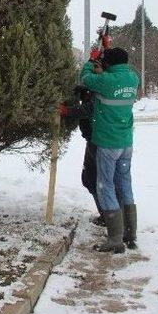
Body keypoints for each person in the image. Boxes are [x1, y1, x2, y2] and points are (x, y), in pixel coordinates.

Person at [81, 47, 139, 253]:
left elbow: (85, 78)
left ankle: (115, 239)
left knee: (105, 186)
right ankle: (130, 233)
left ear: (109, 64)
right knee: (124, 184)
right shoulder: (133, 78)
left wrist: (91, 61)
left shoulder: (105, 81)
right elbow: (113, 80)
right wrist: (104, 67)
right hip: (126, 143)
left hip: (107, 143)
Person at [60, 86, 105, 226]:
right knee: (89, 178)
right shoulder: (94, 85)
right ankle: (107, 215)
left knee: (100, 181)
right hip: (93, 140)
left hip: (101, 141)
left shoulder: (105, 85)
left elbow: (91, 108)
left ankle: (110, 217)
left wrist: (67, 111)